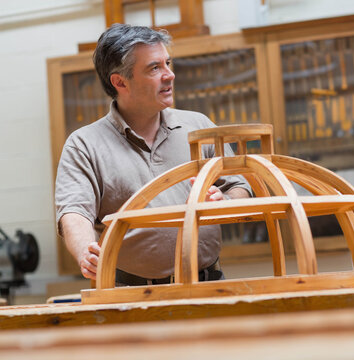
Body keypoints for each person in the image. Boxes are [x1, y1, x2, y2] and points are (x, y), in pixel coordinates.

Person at [55, 24, 251, 286]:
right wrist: (85, 250)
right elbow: (75, 211)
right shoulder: (84, 145)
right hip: (131, 294)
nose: (169, 75)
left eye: (167, 63)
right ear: (120, 81)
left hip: (208, 284)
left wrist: (224, 198)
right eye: (154, 68)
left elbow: (240, 185)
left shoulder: (199, 126)